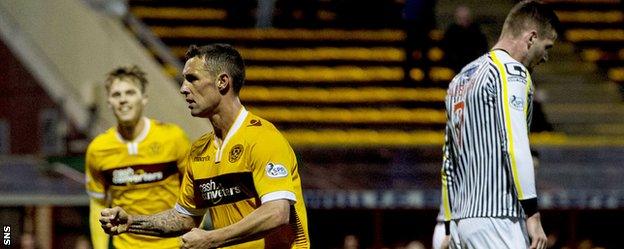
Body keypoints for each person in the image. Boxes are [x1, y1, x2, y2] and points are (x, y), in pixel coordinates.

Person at [99, 44, 310, 248]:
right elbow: (184, 218)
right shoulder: (200, 150)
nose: (183, 88)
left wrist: (212, 239)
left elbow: (277, 212)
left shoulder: (263, 138)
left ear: (222, 82)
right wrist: (132, 223)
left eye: (192, 79)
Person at [440, 1, 560, 248]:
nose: (546, 57)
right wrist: (533, 215)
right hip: (498, 219)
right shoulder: (512, 73)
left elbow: (447, 163)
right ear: (531, 37)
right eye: (546, 47)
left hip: (462, 222)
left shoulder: (459, 80)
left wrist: (450, 226)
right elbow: (515, 144)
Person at [85, 65, 191, 249]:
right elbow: (98, 204)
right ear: (109, 102)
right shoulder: (98, 149)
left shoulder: (174, 138)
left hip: (174, 245)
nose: (123, 100)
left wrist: (191, 236)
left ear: (144, 99)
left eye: (130, 92)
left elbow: (195, 191)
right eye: (116, 95)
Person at [442, 5, 489, 73]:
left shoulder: (476, 31)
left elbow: (483, 48)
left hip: (473, 65)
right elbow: (446, 49)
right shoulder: (451, 32)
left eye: (466, 18)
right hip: (454, 66)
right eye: (461, 18)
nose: (463, 21)